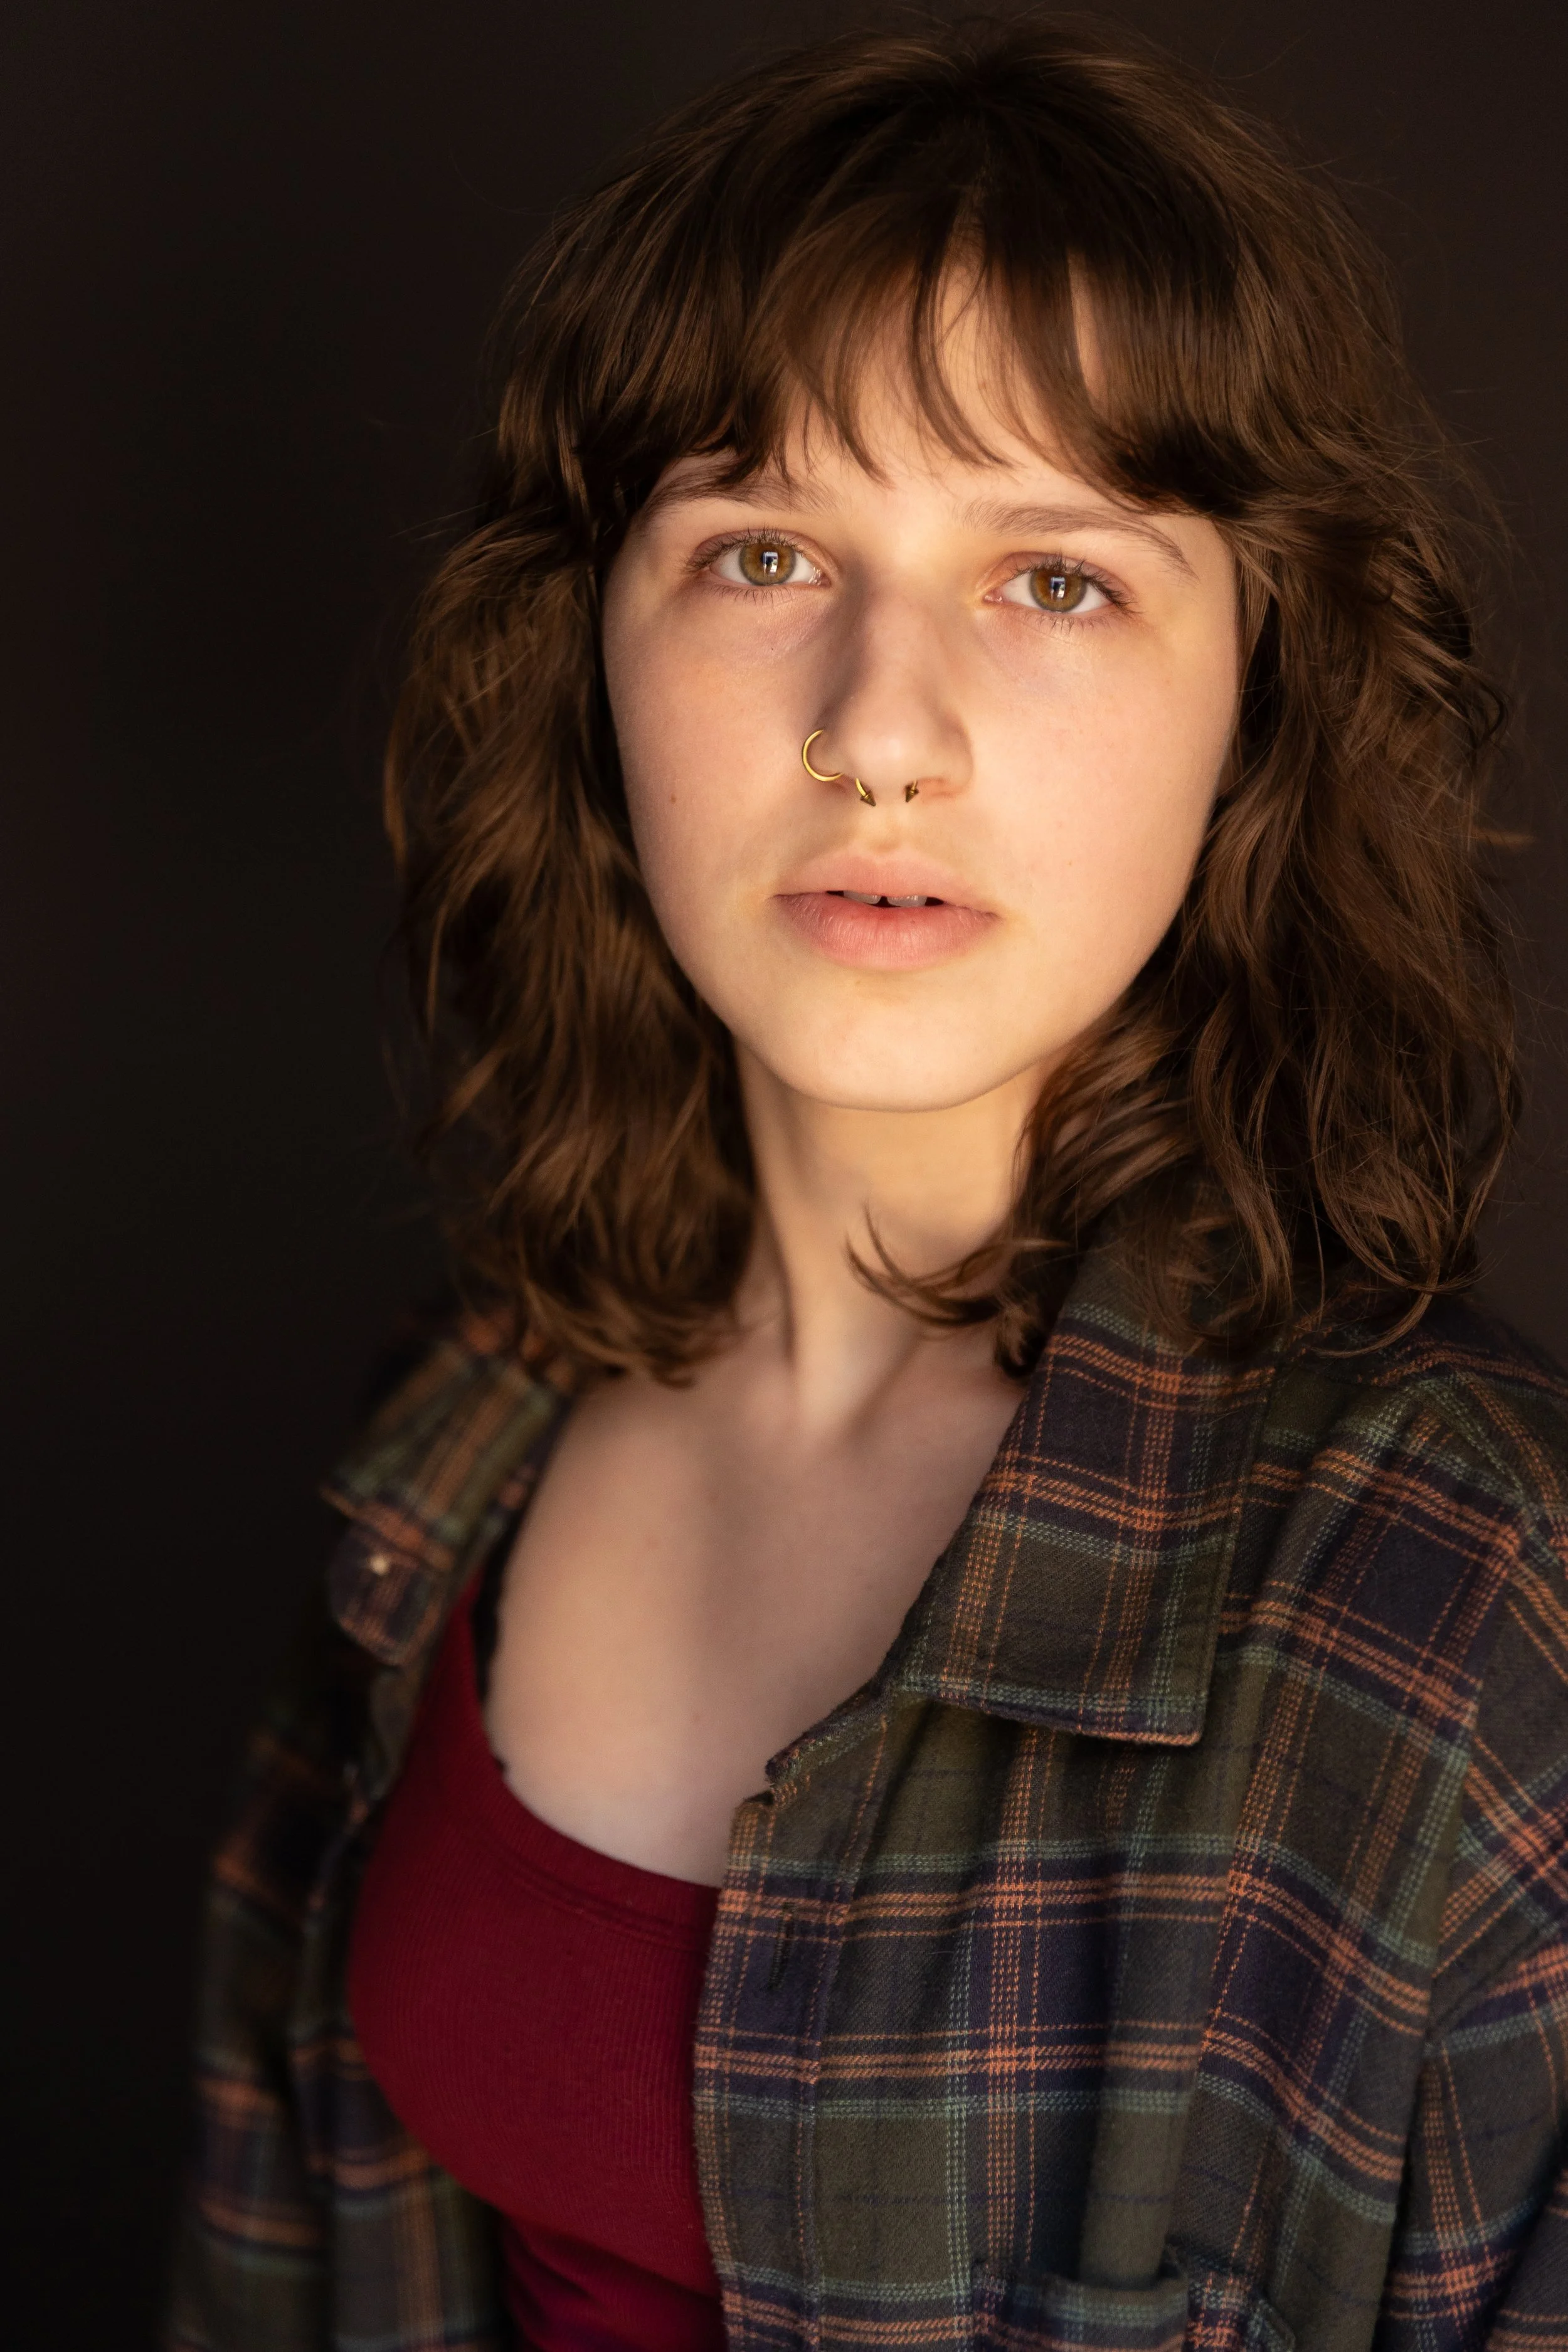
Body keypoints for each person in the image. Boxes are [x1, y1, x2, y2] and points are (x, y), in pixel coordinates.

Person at [167, 16, 1568, 2352]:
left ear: (1260, 701)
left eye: (1054, 582)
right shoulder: (459, 1440)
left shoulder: (1464, 1619)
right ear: (593, 651)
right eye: (763, 548)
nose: (880, 725)